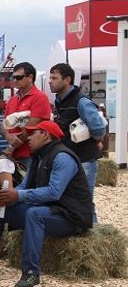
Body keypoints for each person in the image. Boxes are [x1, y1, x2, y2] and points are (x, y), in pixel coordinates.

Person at [0, 121, 93, 287]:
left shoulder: (62, 157)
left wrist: (19, 195)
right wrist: (9, 196)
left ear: (46, 135)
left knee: (35, 214)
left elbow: (54, 192)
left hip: (71, 217)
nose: (28, 137)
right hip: (51, 211)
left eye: (33, 133)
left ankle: (31, 273)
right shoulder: (39, 156)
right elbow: (24, 187)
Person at [49, 63, 106, 223]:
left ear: (67, 80)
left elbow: (99, 128)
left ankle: (93, 236)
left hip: (84, 159)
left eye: (54, 78)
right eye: (50, 77)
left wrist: (97, 139)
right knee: (71, 200)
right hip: (70, 159)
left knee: (85, 201)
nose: (50, 81)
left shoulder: (81, 101)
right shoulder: (60, 101)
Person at [2, 62, 51, 170]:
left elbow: (32, 126)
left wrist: (11, 146)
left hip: (31, 155)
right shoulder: (13, 99)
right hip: (14, 156)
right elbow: (4, 124)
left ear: (30, 77)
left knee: (32, 185)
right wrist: (8, 136)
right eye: (13, 77)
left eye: (18, 77)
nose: (15, 80)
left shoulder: (40, 97)